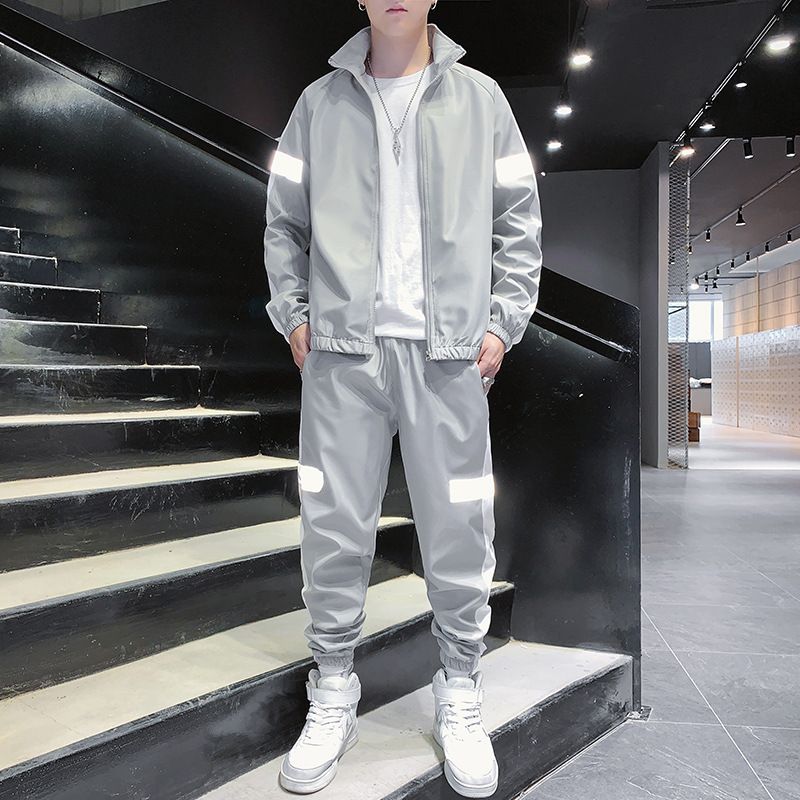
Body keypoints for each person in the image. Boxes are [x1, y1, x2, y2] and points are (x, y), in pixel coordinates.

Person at [263, 1, 542, 795]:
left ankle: (460, 688)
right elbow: (283, 223)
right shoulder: (317, 105)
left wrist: (502, 323)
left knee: (460, 526)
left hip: (447, 358)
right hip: (342, 357)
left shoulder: (482, 100)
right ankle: (333, 689)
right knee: (332, 525)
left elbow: (518, 220)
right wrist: (295, 316)